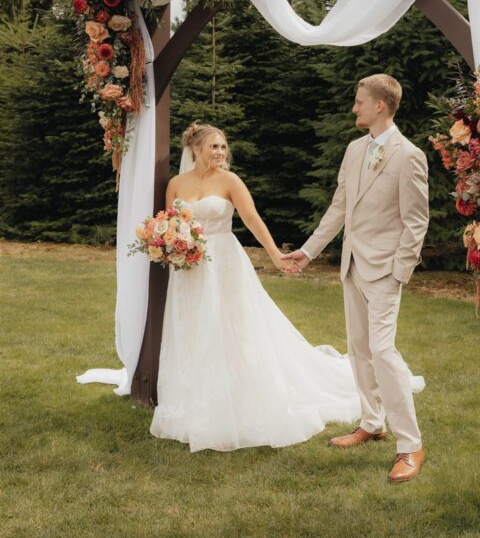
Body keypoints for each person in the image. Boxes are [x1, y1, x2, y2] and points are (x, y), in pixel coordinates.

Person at [150, 122, 363, 452]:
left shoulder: (230, 181)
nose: (221, 152)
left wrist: (276, 255)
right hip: (188, 267)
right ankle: (195, 398)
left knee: (229, 326)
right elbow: (170, 222)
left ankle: (236, 395)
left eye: (223, 146)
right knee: (192, 326)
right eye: (214, 146)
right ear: (196, 148)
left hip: (223, 263)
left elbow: (252, 219)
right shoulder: (176, 184)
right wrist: (169, 243)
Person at [285, 74, 429, 484]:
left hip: (385, 270)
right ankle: (372, 423)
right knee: (359, 350)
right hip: (352, 264)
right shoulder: (353, 149)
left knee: (383, 351)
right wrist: (309, 251)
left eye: (359, 101)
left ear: (380, 105)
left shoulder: (409, 155)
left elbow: (416, 221)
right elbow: (339, 207)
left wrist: (400, 271)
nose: (355, 107)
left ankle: (410, 445)